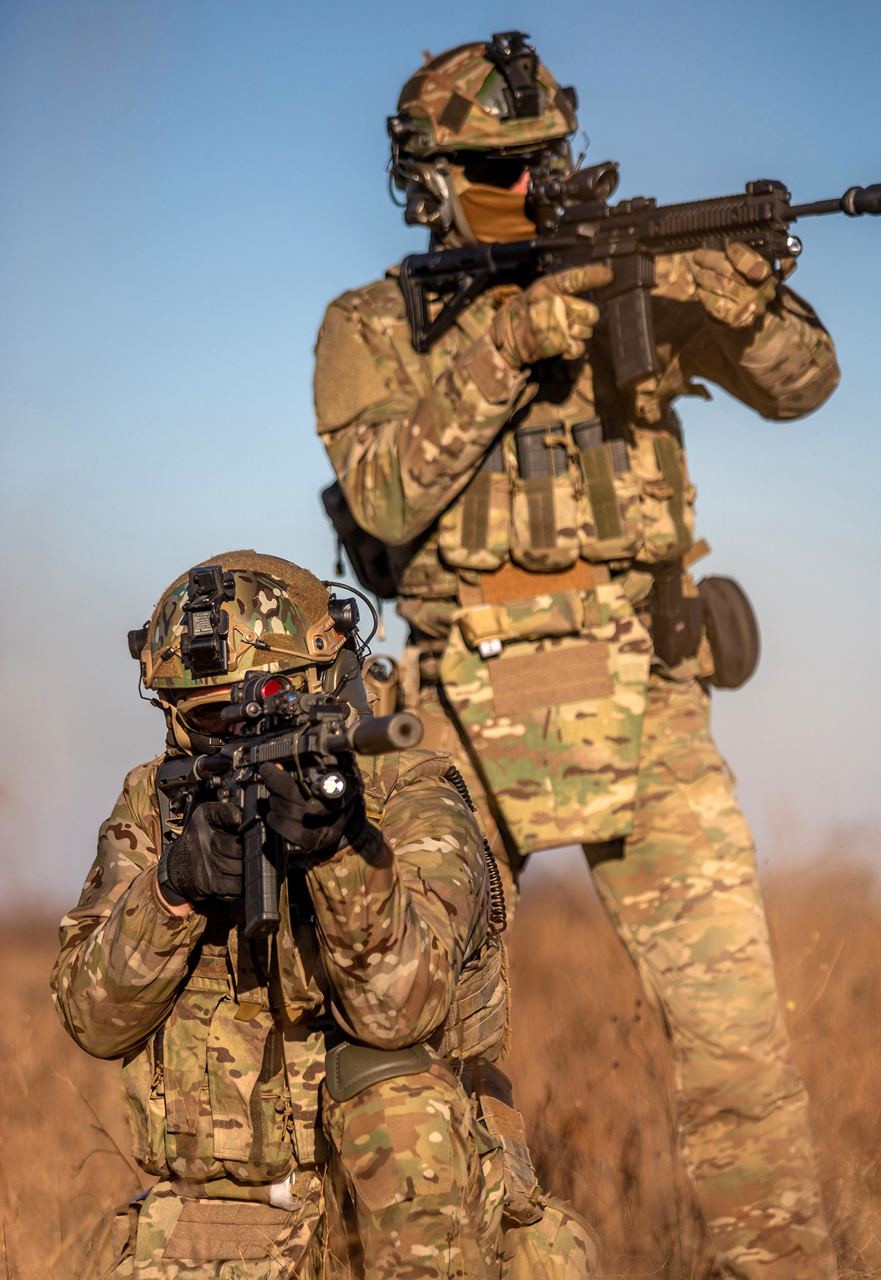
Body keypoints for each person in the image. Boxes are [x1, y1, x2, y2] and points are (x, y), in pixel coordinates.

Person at [313, 32, 840, 1279]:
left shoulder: (634, 281)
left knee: (738, 1051)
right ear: (430, 181)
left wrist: (747, 303)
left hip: (645, 700)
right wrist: (510, 341)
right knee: (414, 1047)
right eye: (496, 170)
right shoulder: (372, 324)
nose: (527, 186)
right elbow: (382, 494)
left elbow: (803, 385)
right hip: (454, 719)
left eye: (544, 161)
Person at [52, 550, 597, 1279]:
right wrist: (172, 890)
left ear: (322, 678)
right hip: (224, 1228)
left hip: (408, 1224)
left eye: (260, 706)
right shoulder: (158, 805)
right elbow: (92, 1019)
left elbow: (401, 1012)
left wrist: (341, 853)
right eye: (210, 716)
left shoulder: (412, 796)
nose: (237, 735)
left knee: (393, 1085)